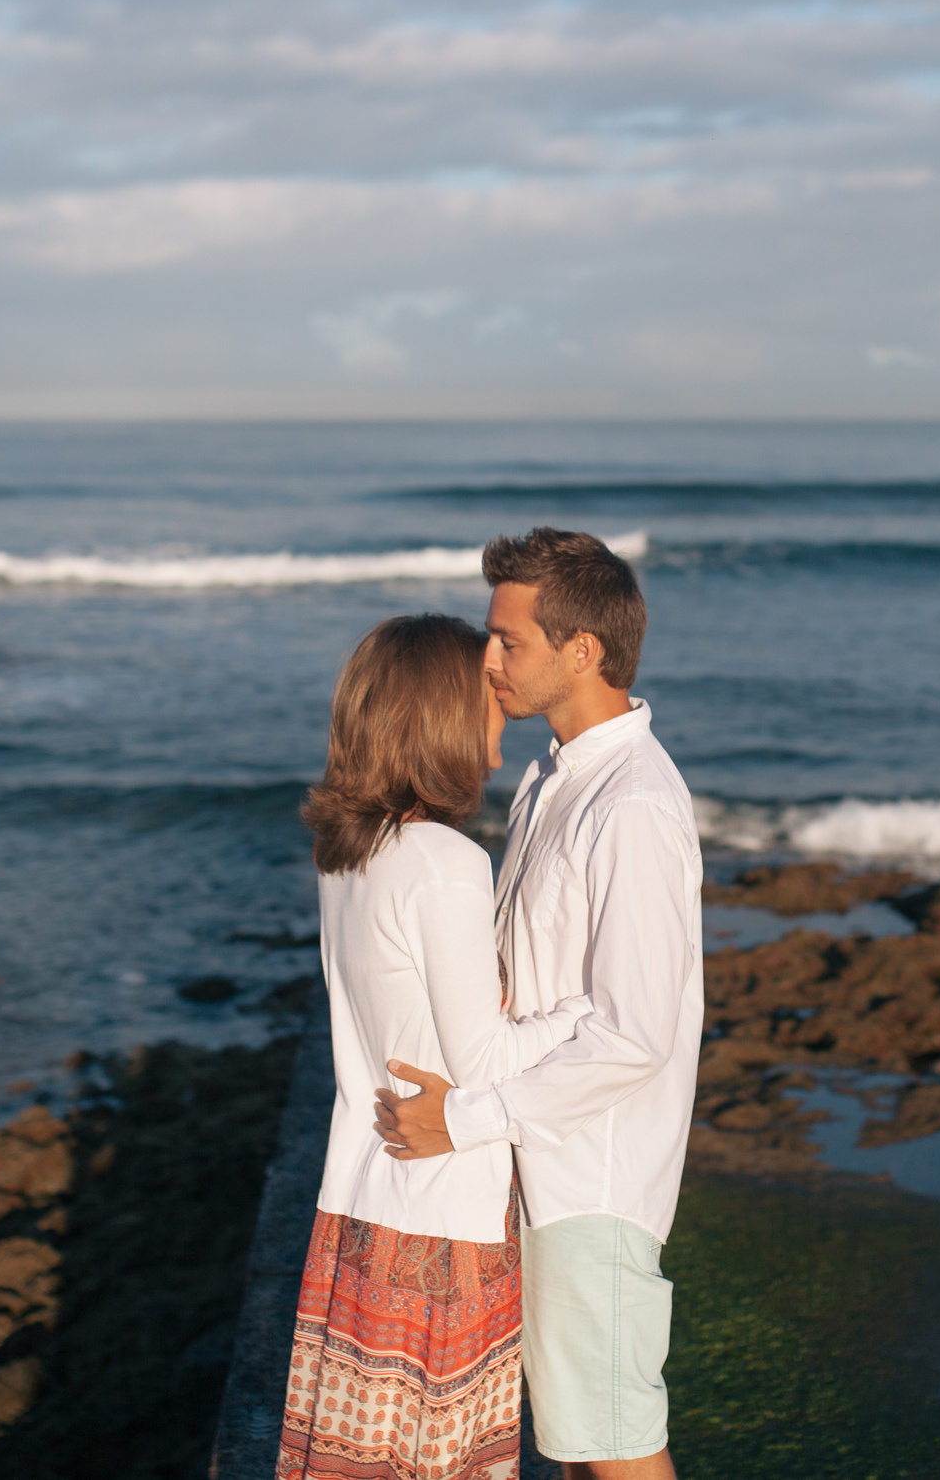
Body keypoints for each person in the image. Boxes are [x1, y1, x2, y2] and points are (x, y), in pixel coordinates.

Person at [374, 529, 702, 1480]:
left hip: (591, 1177)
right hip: (544, 1168)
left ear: (582, 649)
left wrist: (463, 1119)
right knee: (577, 1441)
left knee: (614, 1443)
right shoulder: (553, 781)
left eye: (508, 641)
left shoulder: (630, 805)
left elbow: (634, 1031)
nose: (487, 661)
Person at [278, 613, 594, 1480]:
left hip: (357, 1208)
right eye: (488, 692)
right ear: (444, 713)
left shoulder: (346, 853)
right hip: (445, 1223)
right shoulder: (446, 861)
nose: (503, 707)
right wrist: (587, 1015)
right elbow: (486, 1063)